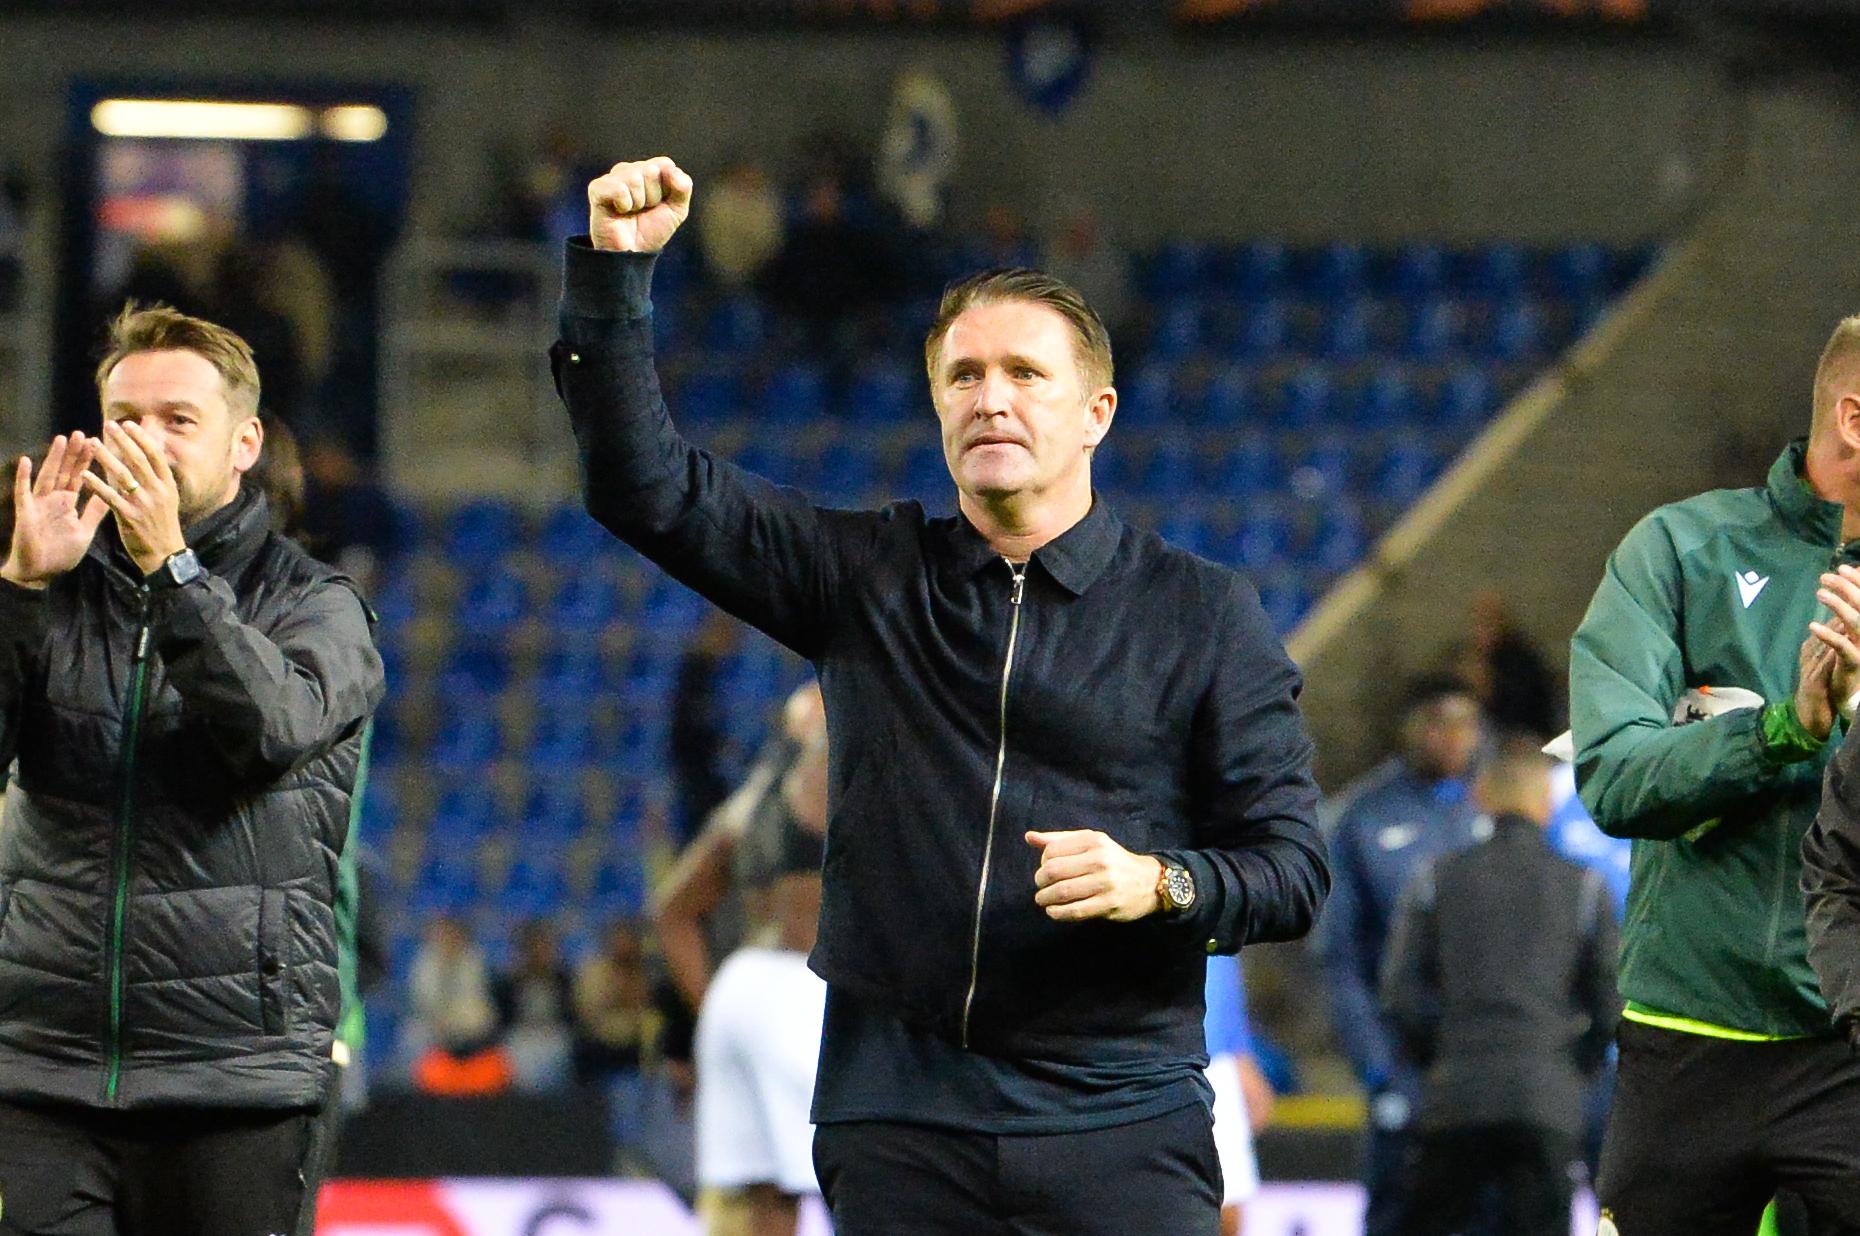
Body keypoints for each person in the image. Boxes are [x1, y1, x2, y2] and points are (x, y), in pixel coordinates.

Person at [553, 156, 1327, 1236]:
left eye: (1024, 373)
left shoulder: (1202, 614)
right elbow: (645, 487)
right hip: (900, 1123)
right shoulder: (866, 578)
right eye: (963, 377)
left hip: (1118, 1121)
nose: (990, 397)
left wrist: (1161, 882)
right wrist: (613, 283)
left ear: (1098, 411)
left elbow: (1290, 870)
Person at [0, 303, 384, 1235]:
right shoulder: (47, 582)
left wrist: (171, 571)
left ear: (244, 443)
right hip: (43, 1064)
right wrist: (17, 591)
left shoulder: (317, 606)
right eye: (126, 419)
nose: (147, 441)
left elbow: (267, 731)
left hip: (232, 1079)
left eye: (179, 420)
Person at [1570, 313, 1860, 1233]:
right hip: (1690, 1046)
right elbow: (1613, 776)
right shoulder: (1679, 552)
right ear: (1854, 418)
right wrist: (1788, 727)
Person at [1380, 741, 1617, 1236]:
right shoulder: (1585, 887)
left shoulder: (1436, 880)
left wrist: (1439, 1055)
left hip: (1456, 1094)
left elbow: (1399, 994)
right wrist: (1571, 1068)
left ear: (1480, 797)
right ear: (1546, 804)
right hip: (1546, 1097)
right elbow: (1612, 1003)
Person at [1312, 674, 1485, 1236]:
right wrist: (1377, 1066)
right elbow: (1339, 957)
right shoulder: (1361, 817)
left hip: (1492, 1063)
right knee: (1401, 1215)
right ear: (1408, 728)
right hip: (1406, 1064)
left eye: (1464, 722)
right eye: (1437, 721)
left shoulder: (1502, 807)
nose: (1452, 736)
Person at [656, 682, 830, 1236]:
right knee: (863, 1174)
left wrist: (711, 1007)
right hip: (805, 990)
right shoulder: (830, 777)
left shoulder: (747, 802)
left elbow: (671, 913)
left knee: (766, 1199)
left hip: (741, 992)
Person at [1202, 956, 1274, 1236]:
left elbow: (1218, 957)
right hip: (1153, 1056)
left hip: (1215, 1060)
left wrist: (1239, 1051)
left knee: (1228, 1203)